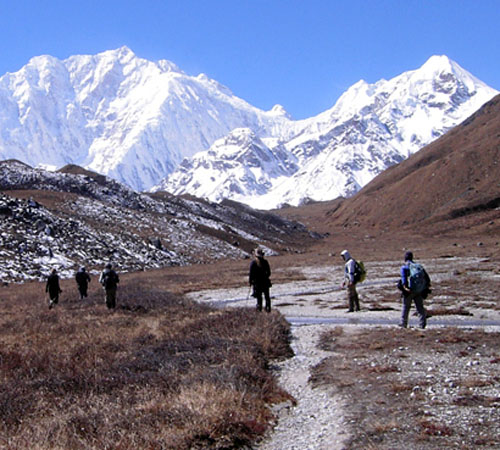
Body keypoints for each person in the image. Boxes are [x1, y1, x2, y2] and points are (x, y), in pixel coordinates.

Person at [399, 251, 430, 329]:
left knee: (406, 308)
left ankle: (403, 324)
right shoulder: (419, 266)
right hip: (419, 290)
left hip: (409, 291)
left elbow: (404, 280)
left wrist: (405, 288)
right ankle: (422, 324)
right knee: (420, 308)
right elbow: (427, 279)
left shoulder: (404, 267)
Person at [249, 248, 272, 312]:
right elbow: (269, 272)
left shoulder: (253, 263)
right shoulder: (265, 262)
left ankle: (259, 309)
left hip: (257, 283)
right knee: (267, 296)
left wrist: (251, 282)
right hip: (265, 282)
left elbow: (251, 274)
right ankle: (268, 309)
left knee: (259, 298)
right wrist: (265, 277)